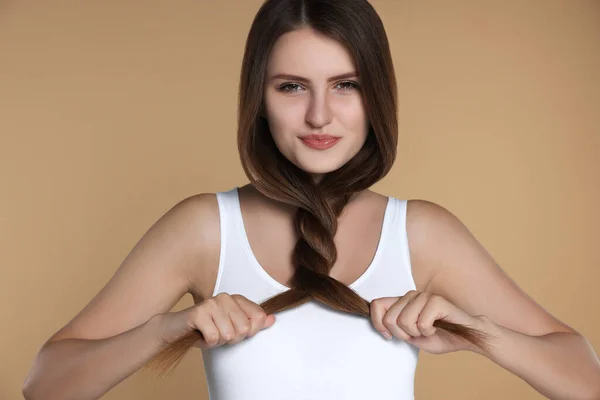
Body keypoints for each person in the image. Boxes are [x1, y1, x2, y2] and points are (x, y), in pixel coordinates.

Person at [22, 0, 600, 399]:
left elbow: (584, 376)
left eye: (345, 85)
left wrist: (475, 333)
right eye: (292, 86)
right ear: (260, 97)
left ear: (376, 96)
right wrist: (167, 329)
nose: (319, 115)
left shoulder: (422, 234)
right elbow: (45, 384)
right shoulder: (204, 229)